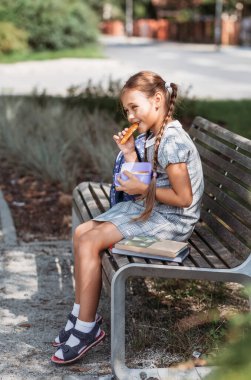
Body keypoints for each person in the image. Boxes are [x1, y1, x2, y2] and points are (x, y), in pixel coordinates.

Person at [51, 70, 204, 364]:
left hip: (172, 221)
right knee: (83, 231)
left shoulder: (172, 141)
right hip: (154, 209)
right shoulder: (149, 135)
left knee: (89, 241)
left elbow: (183, 199)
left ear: (157, 100)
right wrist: (130, 154)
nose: (130, 116)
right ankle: (79, 313)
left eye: (135, 107)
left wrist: (143, 187)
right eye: (126, 110)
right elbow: (147, 181)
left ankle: (86, 328)